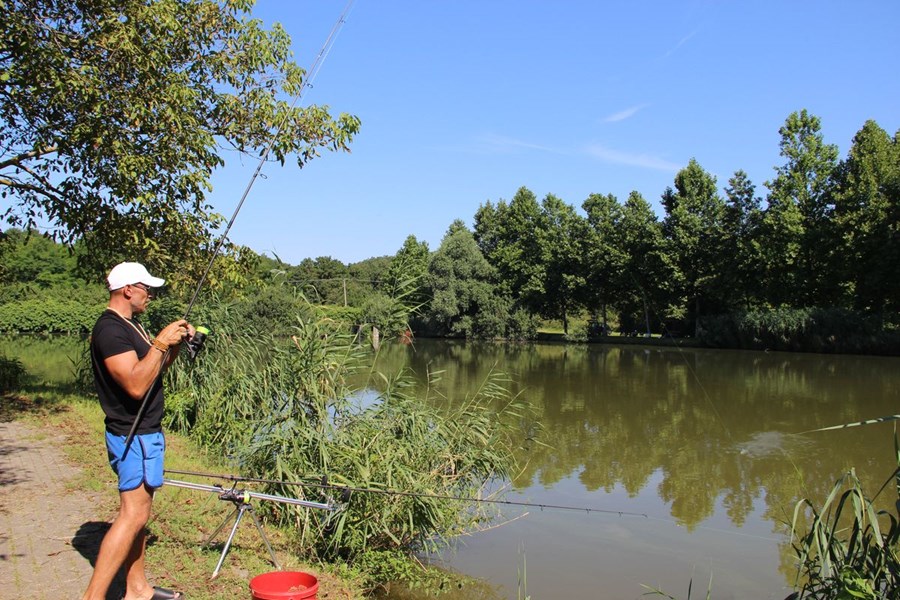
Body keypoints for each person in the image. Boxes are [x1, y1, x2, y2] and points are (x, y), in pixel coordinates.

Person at [82, 262, 194, 600]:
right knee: (132, 515)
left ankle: (137, 589)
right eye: (147, 288)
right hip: (132, 434)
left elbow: (152, 371)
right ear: (127, 289)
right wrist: (160, 342)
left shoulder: (131, 325)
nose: (151, 294)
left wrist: (173, 344)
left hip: (145, 431)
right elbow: (134, 385)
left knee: (139, 514)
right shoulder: (110, 330)